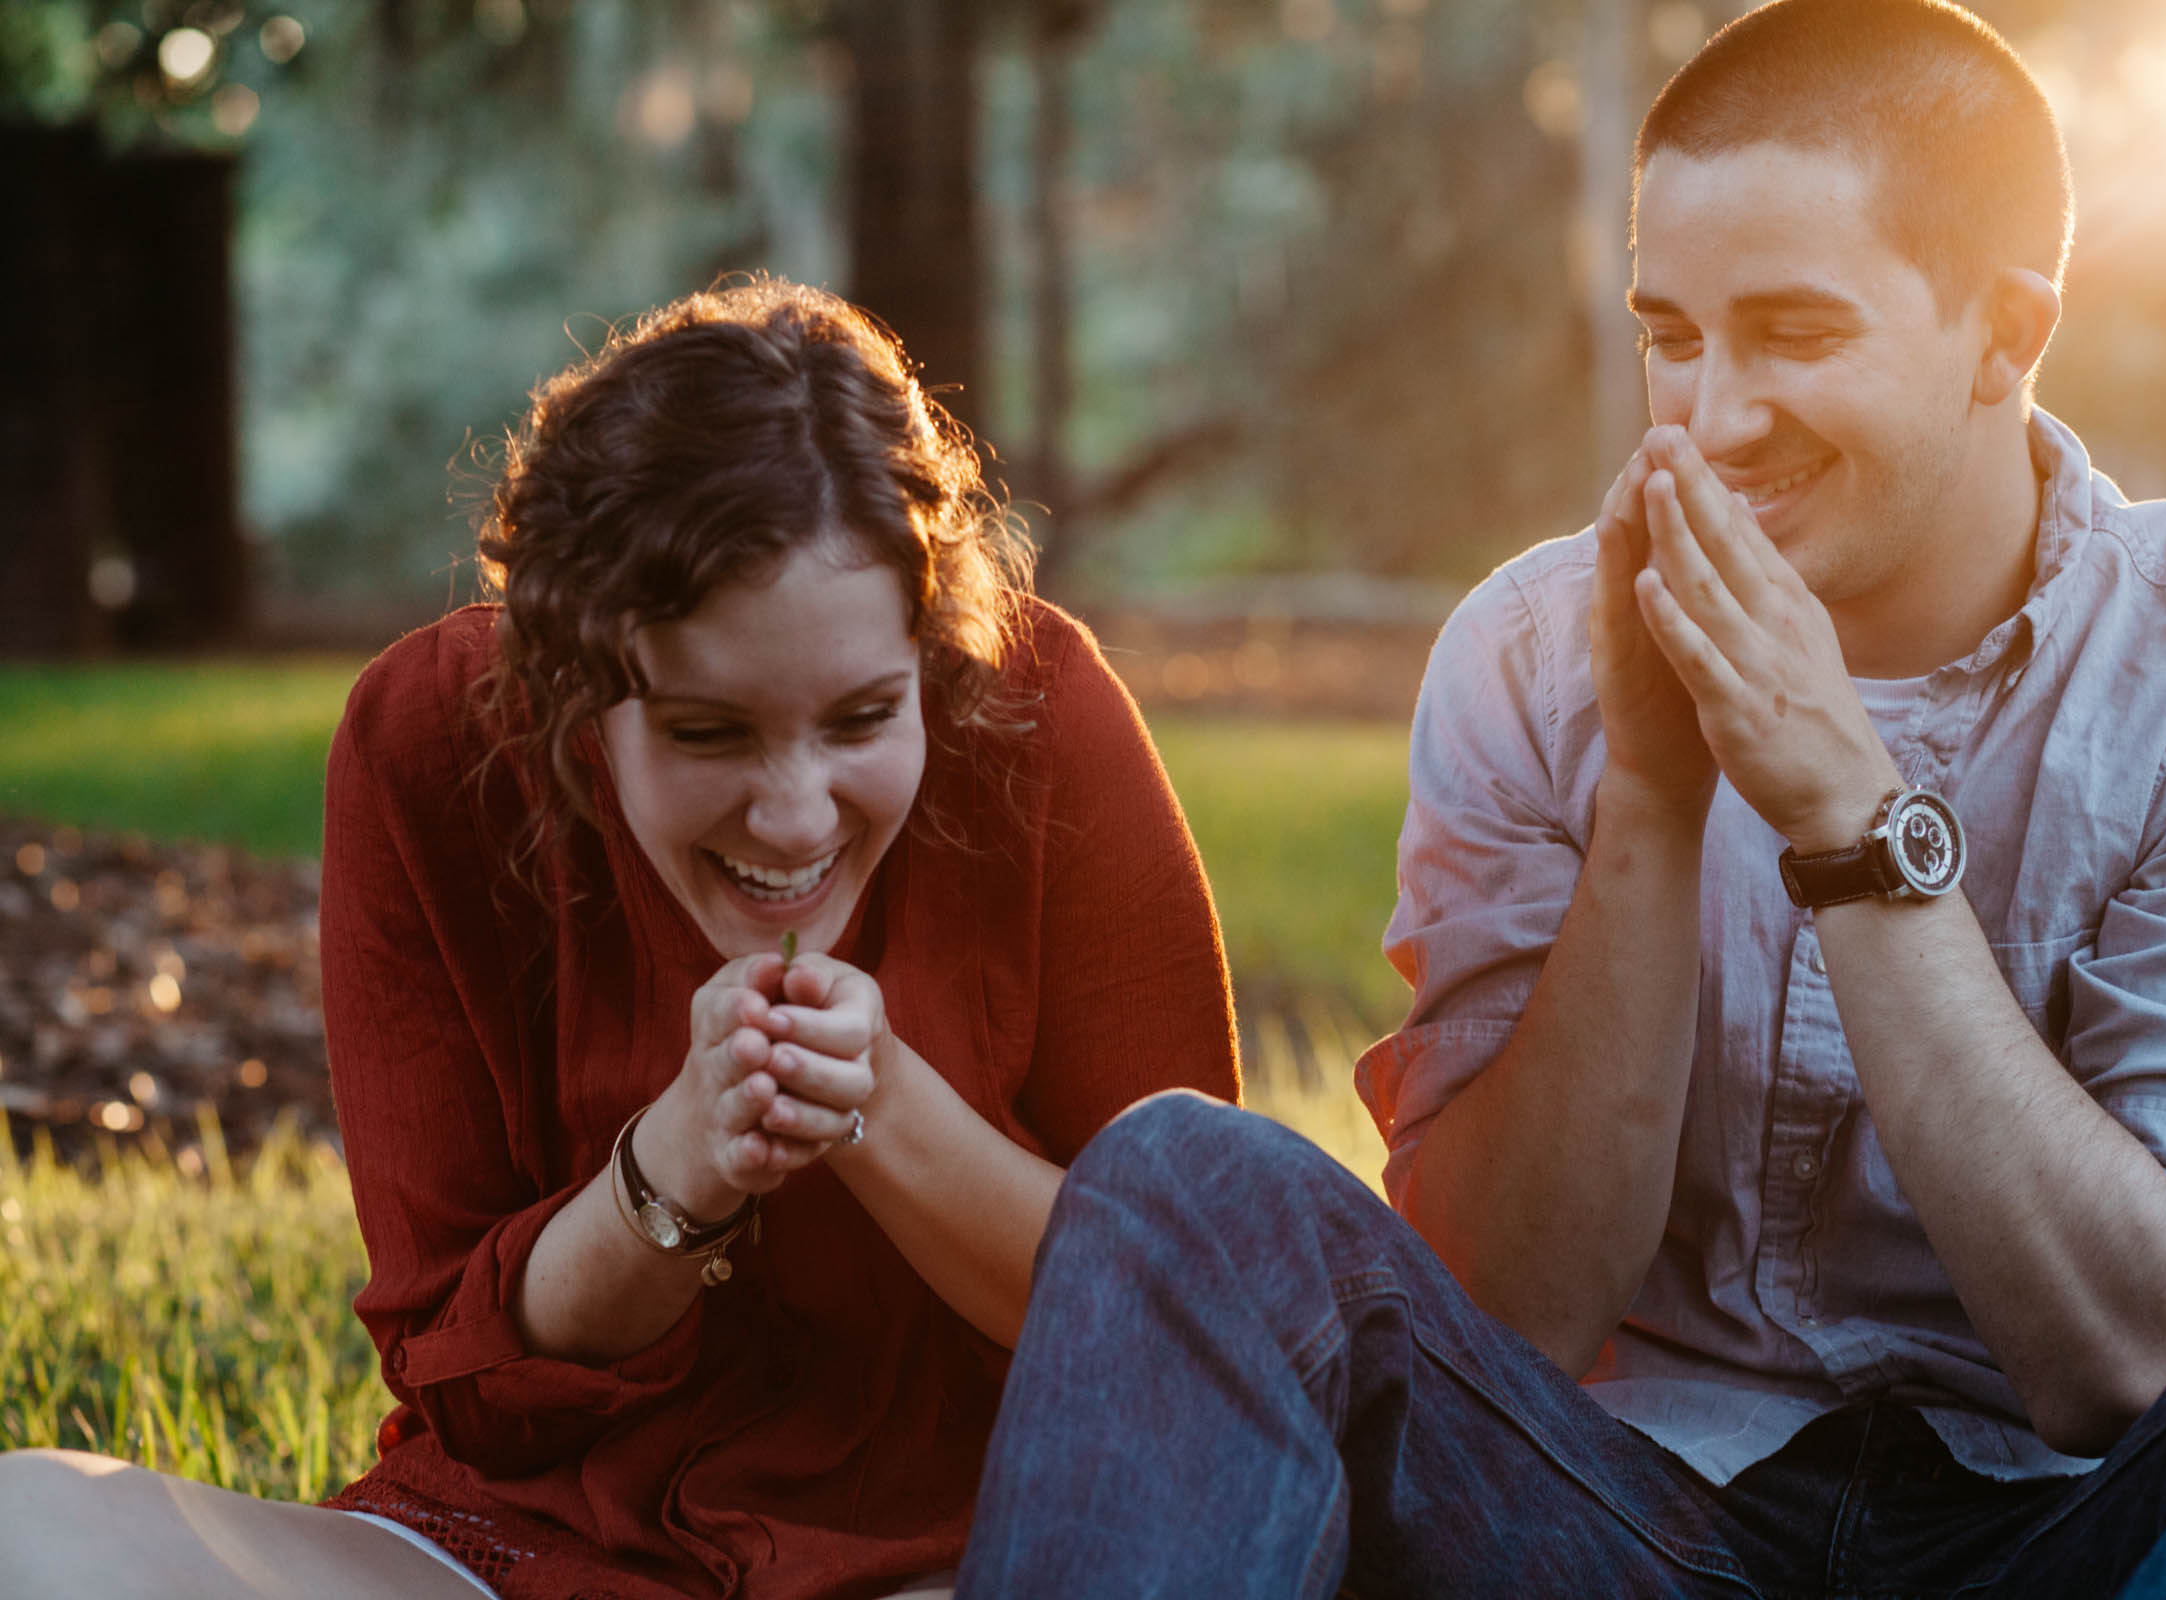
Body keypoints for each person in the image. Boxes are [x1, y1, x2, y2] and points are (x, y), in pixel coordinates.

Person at [950, 2, 2166, 1596]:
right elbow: (1504, 1317)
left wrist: (1849, 814)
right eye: (1673, 335)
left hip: (2080, 1537)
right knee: (1184, 1178)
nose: (1711, 419)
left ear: (2006, 332)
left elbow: (2122, 1361)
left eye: (1794, 333)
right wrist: (1651, 791)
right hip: (1616, 1516)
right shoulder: (1531, 652)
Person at [0, 278, 1239, 1598]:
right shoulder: (425, 744)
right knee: (34, 1530)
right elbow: (459, 1372)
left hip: (963, 1553)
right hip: (526, 1549)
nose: (796, 811)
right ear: (571, 688)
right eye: (709, 730)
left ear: (930, 661)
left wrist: (875, 1100)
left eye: (865, 718)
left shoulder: (1042, 718)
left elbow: (1198, 1341)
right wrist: (670, 1173)